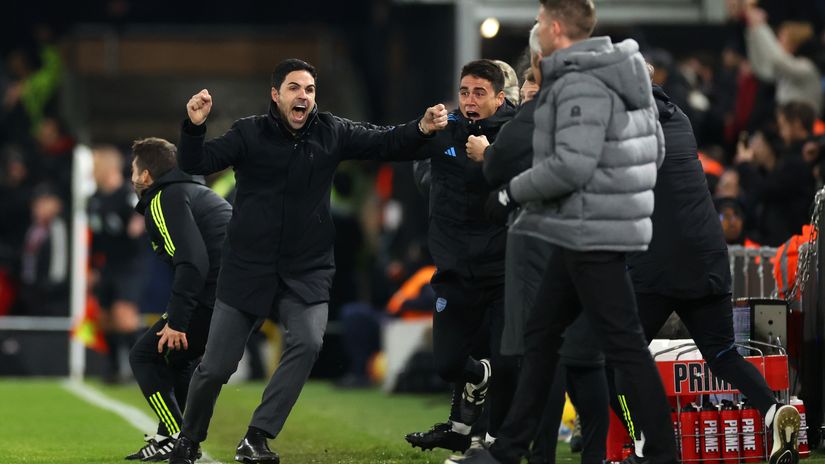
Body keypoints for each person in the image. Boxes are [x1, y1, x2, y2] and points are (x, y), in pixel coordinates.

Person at [169, 58, 448, 464]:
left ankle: (257, 436)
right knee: (214, 368)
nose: (304, 96)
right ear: (276, 95)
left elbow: (383, 142)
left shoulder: (332, 131)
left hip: (307, 267)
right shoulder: (248, 132)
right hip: (248, 266)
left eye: (310, 89)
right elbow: (196, 163)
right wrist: (193, 126)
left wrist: (420, 128)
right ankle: (189, 439)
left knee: (308, 341)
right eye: (295, 88)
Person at [462, 1, 676, 463]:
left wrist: (510, 194)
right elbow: (654, 152)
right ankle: (511, 449)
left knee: (624, 347)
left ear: (556, 28)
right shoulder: (621, 73)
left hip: (591, 229)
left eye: (540, 20)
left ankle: (663, 453)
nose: (536, 27)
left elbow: (572, 164)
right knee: (543, 336)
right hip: (585, 226)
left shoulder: (581, 80)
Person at [612, 73, 801, 464]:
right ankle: (772, 412)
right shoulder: (679, 117)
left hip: (659, 263)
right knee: (723, 354)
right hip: (708, 256)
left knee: (617, 355)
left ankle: (646, 445)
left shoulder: (624, 128)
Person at [465, 25, 608, 464]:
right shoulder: (600, 104)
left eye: (532, 78)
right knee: (587, 359)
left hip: (549, 248)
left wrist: (493, 166)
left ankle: (531, 453)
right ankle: (600, 454)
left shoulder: (540, 114)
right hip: (596, 244)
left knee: (548, 359)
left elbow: (501, 172)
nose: (528, 87)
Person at [403, 59, 518, 455]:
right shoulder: (444, 129)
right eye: (465, 92)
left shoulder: (517, 135)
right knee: (448, 364)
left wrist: (491, 158)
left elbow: (534, 181)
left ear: (500, 98)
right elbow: (407, 153)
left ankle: (495, 445)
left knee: (509, 362)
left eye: (479, 93)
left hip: (504, 270)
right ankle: (474, 386)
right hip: (454, 269)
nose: (469, 101)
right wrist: (421, 131)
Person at [124, 137, 231, 461]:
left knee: (143, 356)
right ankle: (168, 437)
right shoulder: (195, 192)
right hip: (237, 298)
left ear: (145, 176)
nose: (131, 176)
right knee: (177, 358)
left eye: (133, 169)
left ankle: (175, 435)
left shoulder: (163, 198)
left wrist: (178, 320)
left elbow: (193, 263)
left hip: (215, 297)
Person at [87, 145, 145, 383]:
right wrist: (91, 266)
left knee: (124, 315)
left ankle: (141, 366)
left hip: (129, 264)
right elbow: (95, 237)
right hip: (107, 265)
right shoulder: (94, 200)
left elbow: (142, 214)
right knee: (105, 317)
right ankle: (112, 368)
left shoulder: (126, 194)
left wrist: (138, 223)